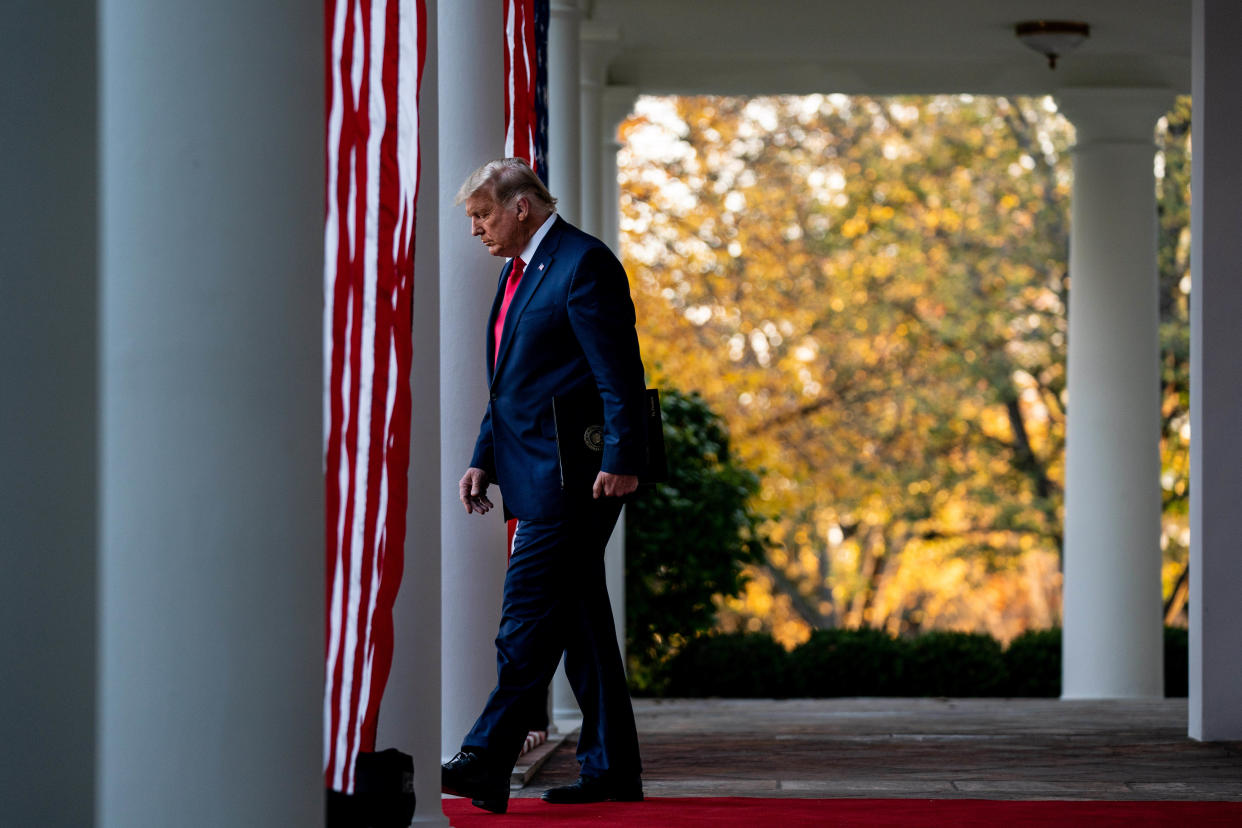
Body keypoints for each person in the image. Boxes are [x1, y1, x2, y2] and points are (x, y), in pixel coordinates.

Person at [440, 158, 646, 814]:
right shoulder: (516, 272)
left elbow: (618, 371)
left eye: (482, 215)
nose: (475, 230)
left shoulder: (584, 264)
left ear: (521, 206)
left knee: (525, 612)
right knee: (581, 622)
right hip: (530, 467)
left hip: (580, 479)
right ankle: (611, 768)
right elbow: (514, 382)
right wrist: (484, 457)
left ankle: (483, 755)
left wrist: (622, 455)